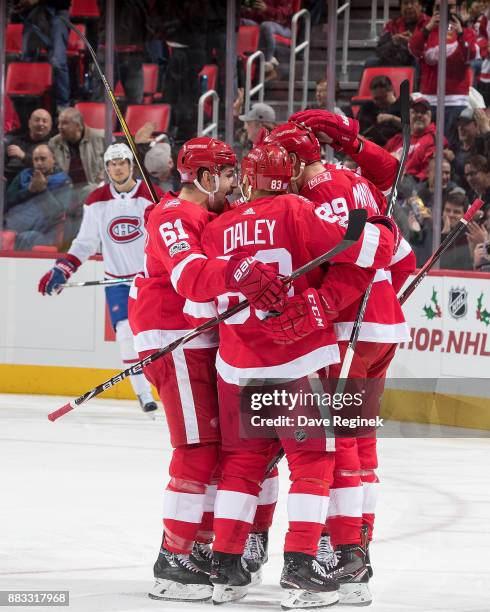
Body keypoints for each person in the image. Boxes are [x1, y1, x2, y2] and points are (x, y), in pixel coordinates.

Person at [198, 143, 398, 607]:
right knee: (313, 464)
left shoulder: (217, 227)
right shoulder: (296, 210)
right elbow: (370, 250)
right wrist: (382, 224)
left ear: (248, 181)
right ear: (286, 179)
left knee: (242, 466)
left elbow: (197, 304)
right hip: (299, 363)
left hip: (236, 367)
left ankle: (226, 569)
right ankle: (301, 565)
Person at [127, 136, 287, 602]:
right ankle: (175, 557)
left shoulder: (206, 214)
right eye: (229, 173)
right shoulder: (174, 216)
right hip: (173, 338)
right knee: (197, 448)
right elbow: (190, 279)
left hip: (205, 340)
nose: (237, 183)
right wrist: (238, 271)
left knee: (228, 449)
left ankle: (207, 543)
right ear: (204, 178)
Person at [265, 114, 415, 605]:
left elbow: (358, 258)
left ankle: (346, 553)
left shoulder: (319, 194)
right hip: (379, 327)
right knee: (361, 441)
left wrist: (324, 304)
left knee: (339, 441)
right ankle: (358, 542)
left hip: (355, 326)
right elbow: (402, 258)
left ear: (292, 161)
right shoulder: (354, 181)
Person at [37, 143, 161, 413]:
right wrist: (62, 269)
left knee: (155, 339)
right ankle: (143, 394)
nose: (117, 168)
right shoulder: (97, 200)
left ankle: (165, 388)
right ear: (106, 168)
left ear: (131, 165)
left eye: (122, 162)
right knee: (125, 335)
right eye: (111, 164)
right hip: (116, 282)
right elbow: (85, 243)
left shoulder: (151, 196)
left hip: (148, 281)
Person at [409, 0, 477, 148]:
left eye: (449, 6)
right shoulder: (425, 30)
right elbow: (414, 49)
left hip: (456, 101)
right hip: (429, 99)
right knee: (428, 146)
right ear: (432, 9)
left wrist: (460, 33)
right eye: (438, 7)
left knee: (451, 147)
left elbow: (470, 55)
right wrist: (428, 28)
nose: (444, 11)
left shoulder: (467, 32)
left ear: (458, 8)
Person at [49, 107, 105, 245]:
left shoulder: (102, 138)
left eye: (65, 123)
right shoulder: (54, 143)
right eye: (59, 123)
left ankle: (79, 244)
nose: (59, 127)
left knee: (88, 193)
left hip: (95, 189)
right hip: (67, 191)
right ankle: (72, 246)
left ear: (78, 126)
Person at [5, 143, 71, 250]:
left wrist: (43, 190)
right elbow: (8, 200)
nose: (39, 163)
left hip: (46, 232)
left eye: (43, 159)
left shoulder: (63, 181)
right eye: (36, 159)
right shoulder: (23, 175)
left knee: (27, 238)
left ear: (53, 159)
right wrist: (29, 190)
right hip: (17, 224)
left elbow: (58, 212)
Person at [18, 0, 71, 111]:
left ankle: (63, 107)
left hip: (58, 13)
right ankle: (27, 106)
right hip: (32, 13)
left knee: (58, 62)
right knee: (26, 60)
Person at [241, 0, 294, 79]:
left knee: (266, 26)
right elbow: (256, 17)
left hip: (284, 27)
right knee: (241, 21)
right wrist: (249, 10)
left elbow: (284, 16)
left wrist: (267, 9)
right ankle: (240, 56)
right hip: (261, 25)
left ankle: (267, 62)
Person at [367, 0, 426, 68]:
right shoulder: (392, 25)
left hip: (420, 63)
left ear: (420, 6)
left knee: (417, 61)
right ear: (401, 7)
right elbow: (379, 51)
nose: (409, 6)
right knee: (371, 62)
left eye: (412, 3)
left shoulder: (429, 23)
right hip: (398, 62)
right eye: (405, 3)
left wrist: (413, 42)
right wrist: (393, 42)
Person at [5, 108, 53, 184]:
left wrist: (23, 156)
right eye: (37, 120)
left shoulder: (52, 145)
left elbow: (45, 167)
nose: (41, 124)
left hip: (28, 183)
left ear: (50, 126)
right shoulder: (16, 141)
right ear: (29, 123)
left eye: (44, 121)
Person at [357, 75, 402, 147]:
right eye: (376, 99)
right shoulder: (368, 107)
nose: (379, 102)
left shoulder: (403, 105)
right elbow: (358, 128)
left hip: (396, 147)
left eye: (382, 98)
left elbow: (411, 128)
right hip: (371, 146)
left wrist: (392, 118)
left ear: (391, 90)